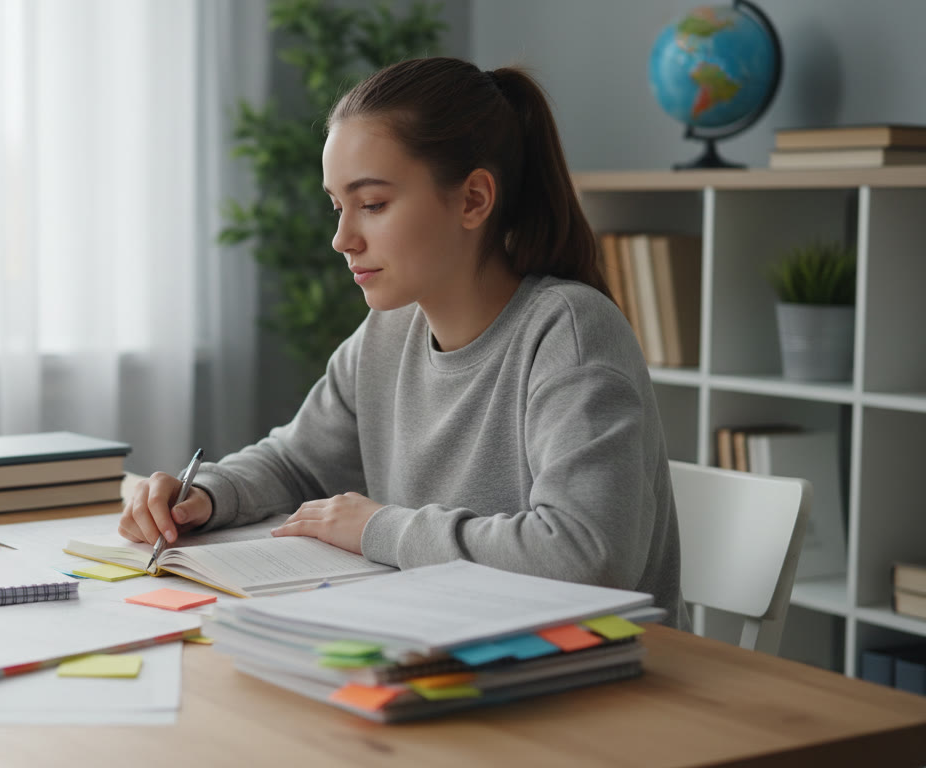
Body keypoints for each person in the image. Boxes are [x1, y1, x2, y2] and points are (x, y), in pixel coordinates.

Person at [118, 56, 687, 628]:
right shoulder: (388, 334)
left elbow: (588, 556)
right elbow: (297, 462)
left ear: (472, 200)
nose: (342, 239)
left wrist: (376, 527)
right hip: (451, 641)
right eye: (338, 207)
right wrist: (209, 495)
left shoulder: (569, 332)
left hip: (597, 682)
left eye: (373, 205)